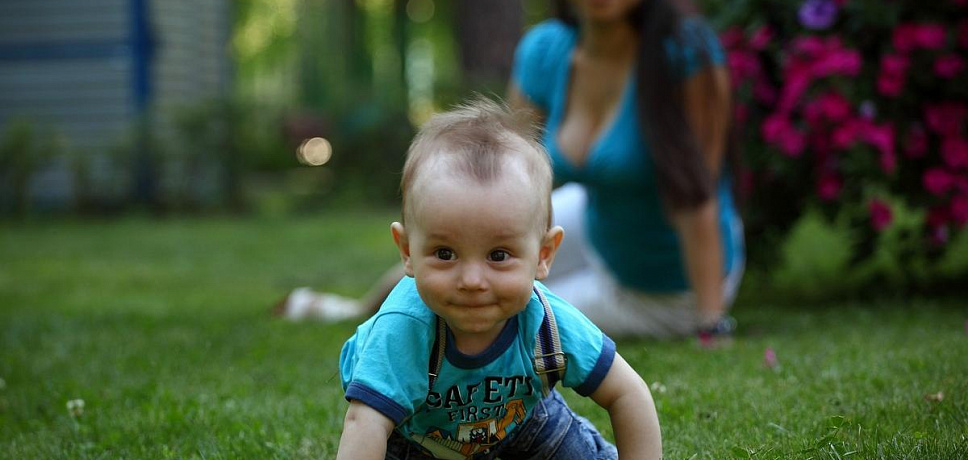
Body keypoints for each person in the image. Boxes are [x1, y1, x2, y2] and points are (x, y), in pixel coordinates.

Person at [279, 0, 743, 340]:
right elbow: (506, 168)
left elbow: (698, 192)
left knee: (491, 310)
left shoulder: (684, 51)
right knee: (465, 236)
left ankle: (387, 318)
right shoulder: (547, 51)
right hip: (599, 217)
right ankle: (360, 309)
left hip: (666, 280)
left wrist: (710, 320)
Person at [333, 98, 662, 460]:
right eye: (445, 254)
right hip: (415, 435)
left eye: (499, 256)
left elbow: (626, 391)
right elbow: (365, 424)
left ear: (543, 255)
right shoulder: (405, 325)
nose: (472, 281)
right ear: (406, 250)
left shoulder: (547, 322)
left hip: (518, 419)